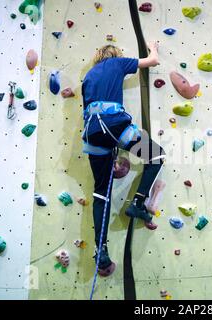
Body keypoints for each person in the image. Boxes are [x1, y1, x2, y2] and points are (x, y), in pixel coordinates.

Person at [81, 42, 165, 276]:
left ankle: (102, 251)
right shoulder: (117, 63)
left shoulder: (88, 77)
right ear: (115, 55)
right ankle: (138, 203)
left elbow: (86, 109)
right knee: (156, 156)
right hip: (114, 124)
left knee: (100, 195)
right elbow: (151, 62)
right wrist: (154, 49)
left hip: (92, 133)